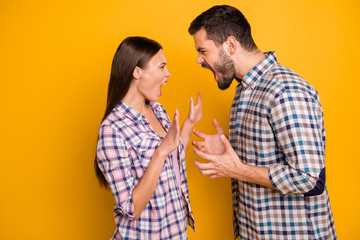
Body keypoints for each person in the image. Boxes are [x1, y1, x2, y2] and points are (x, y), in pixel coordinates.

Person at [188, 5, 336, 239]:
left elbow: (311, 180)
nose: (199, 60)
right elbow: (268, 157)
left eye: (203, 51)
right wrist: (230, 151)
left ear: (230, 45)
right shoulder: (245, 90)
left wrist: (237, 170)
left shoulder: (285, 91)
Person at [94, 36, 201, 239]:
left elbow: (171, 163)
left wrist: (188, 125)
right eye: (161, 66)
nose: (168, 73)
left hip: (175, 233)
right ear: (137, 72)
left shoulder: (158, 110)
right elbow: (131, 208)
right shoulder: (112, 130)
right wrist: (160, 152)